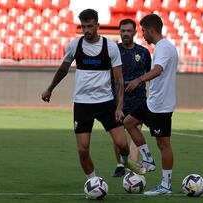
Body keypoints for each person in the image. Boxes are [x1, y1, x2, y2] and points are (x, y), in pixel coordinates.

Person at [41, 9, 142, 179]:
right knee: (83, 148)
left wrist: (119, 107)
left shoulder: (110, 46)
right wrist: (50, 89)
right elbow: (63, 70)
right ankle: (93, 181)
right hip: (82, 103)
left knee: (122, 144)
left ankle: (125, 162)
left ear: (97, 26)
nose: (86, 30)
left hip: (106, 103)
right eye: (83, 27)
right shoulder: (75, 45)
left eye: (90, 26)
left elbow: (119, 80)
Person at [124, 14, 178, 195]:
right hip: (153, 102)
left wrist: (139, 80)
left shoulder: (163, 47)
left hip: (161, 105)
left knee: (164, 144)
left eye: (143, 31)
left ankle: (166, 185)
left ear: (151, 30)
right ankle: (148, 160)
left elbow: (158, 70)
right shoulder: (163, 47)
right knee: (129, 122)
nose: (142, 35)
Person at [111, 18, 152, 177]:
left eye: (129, 31)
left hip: (138, 99)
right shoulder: (113, 50)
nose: (126, 34)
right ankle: (120, 164)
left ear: (135, 32)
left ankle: (132, 168)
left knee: (135, 131)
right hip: (116, 99)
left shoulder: (143, 52)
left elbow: (149, 74)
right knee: (117, 135)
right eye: (123, 31)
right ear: (120, 32)